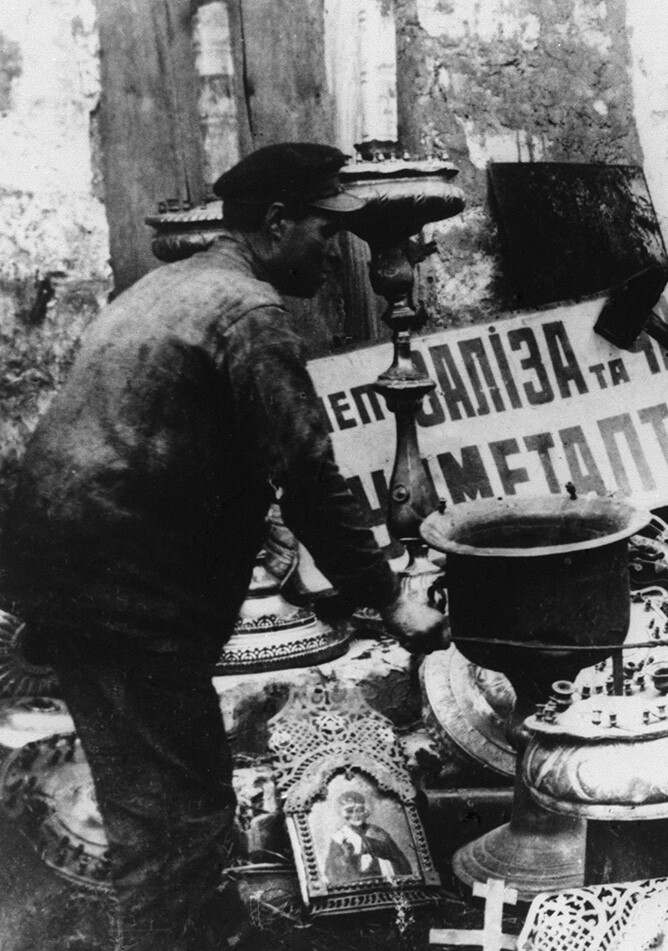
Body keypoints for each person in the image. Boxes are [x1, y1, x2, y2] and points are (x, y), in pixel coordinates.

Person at [0, 142, 447, 951]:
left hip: (64, 574)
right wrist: (389, 597)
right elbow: (310, 476)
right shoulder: (246, 314)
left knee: (152, 809)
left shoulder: (168, 287)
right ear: (275, 224)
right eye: (322, 229)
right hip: (125, 586)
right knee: (182, 819)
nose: (331, 247)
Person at [323, 790, 412, 883]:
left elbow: (404, 866)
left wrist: (376, 864)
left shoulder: (379, 834)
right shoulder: (339, 838)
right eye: (350, 811)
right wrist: (350, 858)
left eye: (359, 810)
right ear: (342, 814)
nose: (355, 815)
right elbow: (331, 873)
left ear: (365, 811)